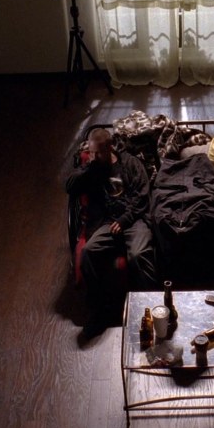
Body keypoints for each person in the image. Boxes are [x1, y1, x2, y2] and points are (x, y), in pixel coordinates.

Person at [66, 128, 158, 338]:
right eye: (91, 152)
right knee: (89, 251)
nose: (94, 156)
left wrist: (125, 220)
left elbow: (142, 196)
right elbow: (70, 186)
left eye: (98, 153)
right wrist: (88, 167)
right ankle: (99, 312)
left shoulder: (130, 163)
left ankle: (152, 306)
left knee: (138, 254)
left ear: (109, 147)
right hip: (106, 223)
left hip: (133, 220)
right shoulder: (92, 167)